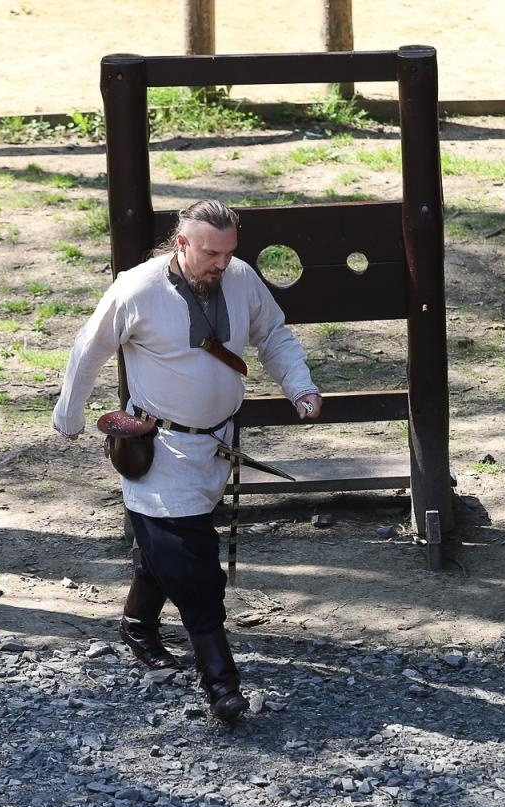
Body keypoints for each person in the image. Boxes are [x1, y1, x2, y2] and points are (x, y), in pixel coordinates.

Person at [52, 200, 322, 725]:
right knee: (195, 567)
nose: (221, 263)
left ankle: (137, 625)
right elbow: (88, 347)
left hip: (217, 444)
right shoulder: (137, 289)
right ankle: (221, 683)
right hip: (162, 450)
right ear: (181, 243)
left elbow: (272, 333)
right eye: (210, 253)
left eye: (228, 252)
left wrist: (300, 386)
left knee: (171, 547)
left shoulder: (240, 278)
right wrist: (69, 415)